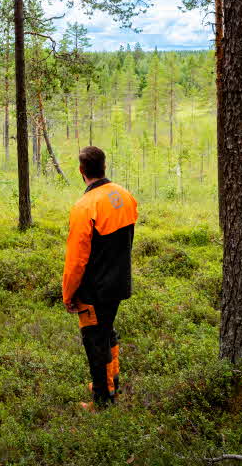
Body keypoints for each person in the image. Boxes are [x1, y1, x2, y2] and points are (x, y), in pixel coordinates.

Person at [62, 145, 138, 408]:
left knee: (94, 339)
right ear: (104, 166)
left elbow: (76, 260)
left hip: (94, 288)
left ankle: (103, 399)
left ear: (81, 171)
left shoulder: (84, 206)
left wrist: (69, 293)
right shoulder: (125, 196)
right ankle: (110, 381)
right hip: (119, 282)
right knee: (106, 332)